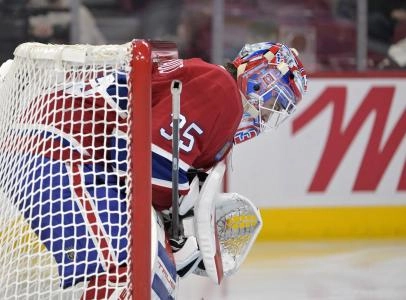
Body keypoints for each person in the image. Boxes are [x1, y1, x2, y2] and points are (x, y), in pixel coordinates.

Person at [5, 41, 307, 298]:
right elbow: (144, 162)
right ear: (259, 79)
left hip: (65, 151)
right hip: (59, 149)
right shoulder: (221, 90)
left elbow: (137, 160)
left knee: (156, 272)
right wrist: (181, 224)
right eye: (275, 101)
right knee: (129, 270)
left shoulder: (213, 88)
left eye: (280, 110)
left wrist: (179, 226)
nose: (271, 113)